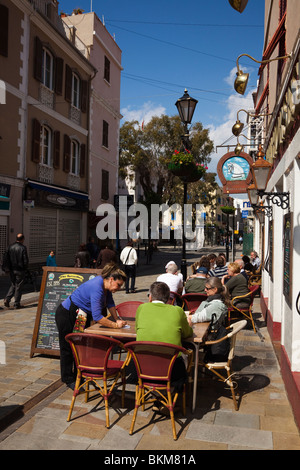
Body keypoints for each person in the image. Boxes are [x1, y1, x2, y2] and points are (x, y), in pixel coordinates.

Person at [55, 263, 127, 389]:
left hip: (81, 314)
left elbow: (110, 303)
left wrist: (118, 319)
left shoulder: (106, 287)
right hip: (67, 314)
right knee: (67, 347)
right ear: (111, 279)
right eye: (118, 284)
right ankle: (68, 378)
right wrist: (115, 326)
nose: (119, 288)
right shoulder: (97, 287)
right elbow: (98, 317)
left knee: (80, 346)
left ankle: (80, 374)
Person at [135, 281, 193, 393]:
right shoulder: (177, 311)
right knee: (188, 356)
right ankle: (170, 397)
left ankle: (158, 395)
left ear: (150, 297)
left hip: (143, 366)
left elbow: (136, 330)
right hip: (170, 368)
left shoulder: (141, 308)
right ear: (168, 299)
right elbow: (187, 334)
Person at [4, 233, 29, 309]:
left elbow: (6, 258)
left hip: (12, 269)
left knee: (13, 284)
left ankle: (7, 299)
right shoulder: (23, 248)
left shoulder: (10, 247)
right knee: (19, 286)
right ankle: (16, 303)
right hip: (20, 270)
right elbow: (25, 260)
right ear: (22, 239)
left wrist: (7, 268)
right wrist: (25, 268)